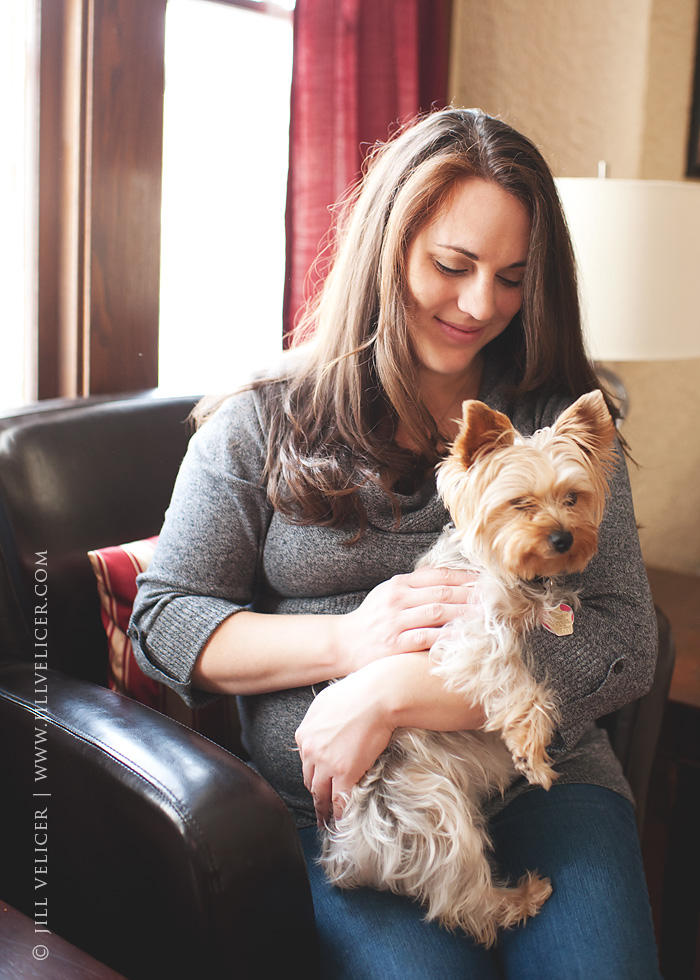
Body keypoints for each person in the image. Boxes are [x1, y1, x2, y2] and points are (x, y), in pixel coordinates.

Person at [129, 107, 661, 979]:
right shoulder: (261, 420)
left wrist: (389, 693)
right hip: (350, 807)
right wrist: (347, 644)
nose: (481, 304)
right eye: (452, 265)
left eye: (515, 278)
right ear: (387, 246)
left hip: (545, 782)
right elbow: (168, 620)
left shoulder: (557, 428)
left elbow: (625, 641)